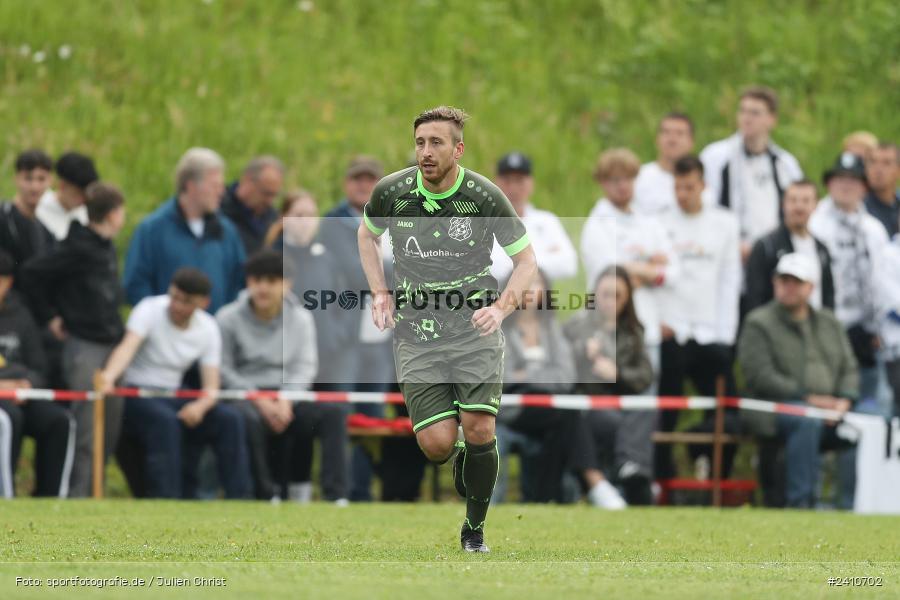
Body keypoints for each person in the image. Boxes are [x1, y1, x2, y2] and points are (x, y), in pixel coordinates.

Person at [359, 106, 536, 552]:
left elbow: (526, 261)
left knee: (480, 429)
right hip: (417, 335)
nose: (425, 151)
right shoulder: (392, 191)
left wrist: (500, 309)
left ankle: (474, 530)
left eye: (436, 143)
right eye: (420, 142)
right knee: (437, 445)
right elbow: (367, 235)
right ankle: (462, 457)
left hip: (474, 330)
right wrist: (380, 292)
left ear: (458, 149)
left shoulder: (484, 196)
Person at [98, 268, 251, 499]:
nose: (177, 306)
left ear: (203, 303)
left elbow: (212, 386)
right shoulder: (149, 309)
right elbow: (126, 348)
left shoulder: (208, 328)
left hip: (175, 394)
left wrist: (199, 407)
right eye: (174, 297)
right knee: (165, 423)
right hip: (138, 393)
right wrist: (109, 376)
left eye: (186, 302)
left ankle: (241, 499)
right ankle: (167, 498)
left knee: (230, 420)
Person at [20, 182, 127, 497]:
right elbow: (32, 273)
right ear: (110, 215)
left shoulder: (105, 246)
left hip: (111, 346)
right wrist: (50, 316)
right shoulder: (77, 246)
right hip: (84, 346)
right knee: (86, 427)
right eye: (120, 211)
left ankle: (96, 490)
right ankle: (76, 494)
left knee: (108, 427)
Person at [738, 253, 857, 508]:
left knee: (873, 423)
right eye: (784, 280)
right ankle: (801, 504)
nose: (789, 287)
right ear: (774, 283)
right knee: (807, 420)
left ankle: (856, 505)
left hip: (832, 410)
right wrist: (811, 400)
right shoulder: (758, 322)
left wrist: (844, 402)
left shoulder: (829, 322)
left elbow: (850, 368)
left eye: (796, 281)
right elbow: (760, 376)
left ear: (811, 287)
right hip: (771, 409)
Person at [215, 251, 335, 501]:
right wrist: (258, 398)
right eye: (256, 280)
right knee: (247, 420)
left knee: (331, 413)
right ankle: (264, 493)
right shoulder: (227, 318)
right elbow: (223, 368)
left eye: (271, 281)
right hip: (244, 396)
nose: (262, 288)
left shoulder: (302, 318)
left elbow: (305, 366)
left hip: (287, 395)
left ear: (287, 283)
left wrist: (286, 400)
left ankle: (333, 496)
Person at [657, 156, 741, 479]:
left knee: (727, 411)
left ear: (703, 186)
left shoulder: (725, 224)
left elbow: (730, 280)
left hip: (711, 332)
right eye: (677, 187)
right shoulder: (660, 222)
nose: (683, 194)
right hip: (671, 332)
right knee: (666, 413)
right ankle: (662, 480)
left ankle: (716, 472)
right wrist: (657, 324)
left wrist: (726, 334)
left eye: (689, 187)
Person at [322, 155, 393, 502]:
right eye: (357, 179)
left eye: (371, 178)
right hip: (347, 335)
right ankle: (340, 490)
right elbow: (353, 271)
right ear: (346, 183)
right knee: (344, 414)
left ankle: (362, 490)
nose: (363, 185)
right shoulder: (332, 223)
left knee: (374, 418)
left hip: (382, 337)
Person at [580, 147, 679, 385]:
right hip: (611, 332)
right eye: (615, 180)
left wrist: (631, 270)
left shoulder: (649, 223)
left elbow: (674, 272)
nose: (622, 185)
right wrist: (649, 267)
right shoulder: (596, 225)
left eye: (628, 178)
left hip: (648, 329)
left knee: (646, 402)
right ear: (603, 183)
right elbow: (610, 278)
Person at [564, 266, 656, 507]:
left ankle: (630, 469)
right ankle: (631, 469)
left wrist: (618, 373)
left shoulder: (634, 331)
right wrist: (582, 353)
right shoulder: (576, 325)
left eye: (617, 296)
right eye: (605, 294)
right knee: (619, 421)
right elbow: (560, 368)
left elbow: (646, 375)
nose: (609, 302)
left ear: (627, 299)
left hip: (623, 405)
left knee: (646, 407)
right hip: (589, 405)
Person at [123, 147, 245, 313]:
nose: (221, 192)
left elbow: (239, 282)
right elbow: (136, 283)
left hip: (215, 334)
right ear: (191, 185)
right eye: (215, 185)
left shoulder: (227, 232)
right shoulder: (152, 230)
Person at [809, 152, 888, 401]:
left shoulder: (873, 230)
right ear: (829, 184)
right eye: (839, 179)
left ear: (864, 187)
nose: (845, 185)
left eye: (853, 180)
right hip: (825, 326)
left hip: (865, 331)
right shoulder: (815, 224)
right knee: (827, 397)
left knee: (869, 401)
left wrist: (880, 328)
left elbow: (883, 282)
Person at [0, 250, 75, 498]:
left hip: (21, 393)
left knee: (59, 421)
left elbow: (39, 365)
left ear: (8, 281)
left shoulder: (20, 314)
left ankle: (50, 499)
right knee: (8, 419)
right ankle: (6, 496)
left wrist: (28, 383)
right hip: (5, 399)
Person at [496, 270, 575, 503]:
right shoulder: (499, 329)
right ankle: (550, 497)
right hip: (512, 411)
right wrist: (543, 373)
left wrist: (527, 373)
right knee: (570, 418)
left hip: (547, 409)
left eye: (536, 284)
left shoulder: (552, 329)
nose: (531, 291)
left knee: (566, 422)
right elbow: (502, 378)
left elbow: (566, 376)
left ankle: (542, 497)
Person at [700, 86, 803, 263]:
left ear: (771, 119)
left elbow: (796, 207)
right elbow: (705, 204)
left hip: (772, 256)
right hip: (728, 253)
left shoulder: (785, 164)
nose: (747, 118)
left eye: (755, 113)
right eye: (743, 111)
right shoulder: (716, 157)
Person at [746, 180, 835, 313]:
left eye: (806, 201)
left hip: (815, 328)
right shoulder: (766, 246)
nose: (799, 207)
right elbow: (754, 297)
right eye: (793, 200)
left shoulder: (822, 249)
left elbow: (828, 295)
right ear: (783, 204)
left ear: (816, 205)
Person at [488, 152, 577, 282]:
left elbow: (569, 265)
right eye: (507, 181)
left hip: (540, 300)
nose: (513, 188)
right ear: (496, 184)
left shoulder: (547, 221)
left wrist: (518, 264)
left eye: (519, 181)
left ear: (531, 184)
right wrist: (540, 258)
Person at [0, 150, 56, 285]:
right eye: (28, 178)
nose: (34, 187)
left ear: (50, 181)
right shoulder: (4, 217)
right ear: (16, 179)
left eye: (41, 179)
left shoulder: (45, 232)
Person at [633, 112, 696, 215]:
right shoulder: (638, 177)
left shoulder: (702, 181)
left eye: (679, 133)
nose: (672, 139)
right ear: (657, 139)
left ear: (691, 142)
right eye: (666, 132)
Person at [220, 156, 285, 254]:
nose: (270, 201)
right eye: (266, 193)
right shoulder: (218, 211)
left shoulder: (273, 220)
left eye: (274, 195)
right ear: (247, 180)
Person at [36, 151, 97, 241]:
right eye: (78, 194)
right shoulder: (38, 210)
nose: (83, 200)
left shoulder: (86, 216)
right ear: (63, 185)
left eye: (86, 195)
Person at [864, 142, 899, 239]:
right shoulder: (857, 208)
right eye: (872, 162)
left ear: (898, 171)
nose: (878, 169)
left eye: (886, 163)